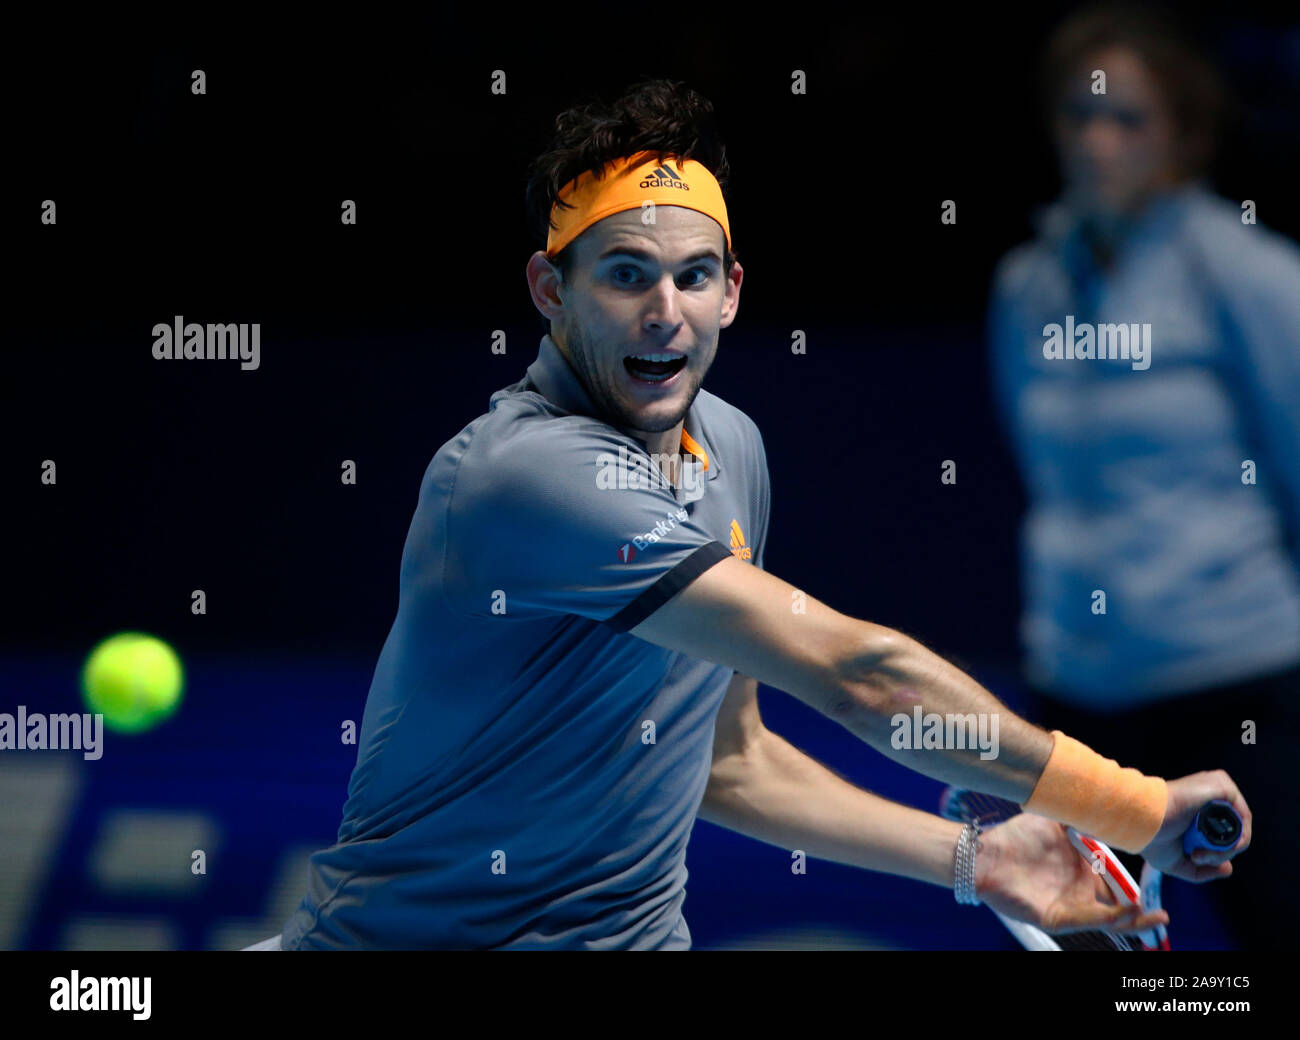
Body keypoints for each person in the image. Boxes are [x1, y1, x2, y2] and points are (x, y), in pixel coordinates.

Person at [261, 78, 1248, 951]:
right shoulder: (523, 474)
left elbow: (726, 758)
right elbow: (857, 674)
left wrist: (974, 858)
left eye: (693, 274)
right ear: (547, 288)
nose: (665, 311)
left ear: (731, 292)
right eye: (624, 274)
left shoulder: (727, 446)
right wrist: (1134, 803)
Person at [988, 5, 1299, 949]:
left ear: (1183, 136)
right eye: (1079, 117)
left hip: (1236, 681)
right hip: (1078, 689)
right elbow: (1039, 474)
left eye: (1127, 119)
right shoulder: (1025, 286)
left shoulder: (1251, 272)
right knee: (1087, 943)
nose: (1097, 141)